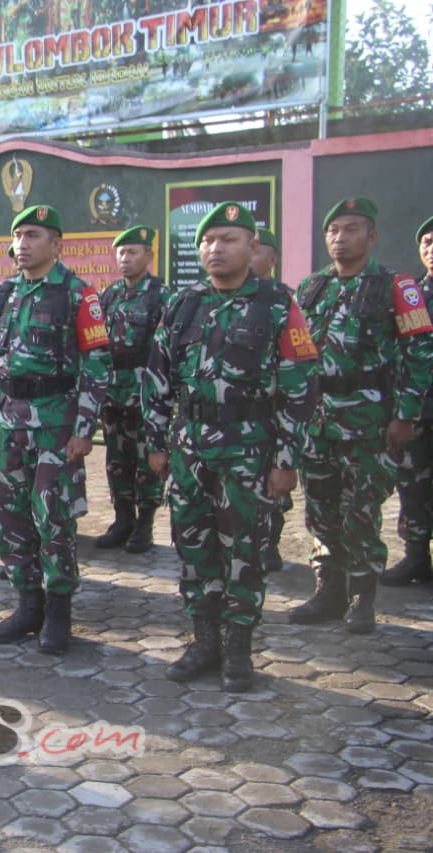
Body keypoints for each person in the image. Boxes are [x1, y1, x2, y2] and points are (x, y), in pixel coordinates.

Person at [143, 202, 318, 692]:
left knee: (245, 549)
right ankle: (204, 641)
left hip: (250, 449)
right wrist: (156, 442)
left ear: (253, 247)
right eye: (208, 240)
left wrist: (286, 461)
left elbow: (300, 386)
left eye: (229, 239)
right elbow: (157, 377)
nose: (216, 249)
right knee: (194, 546)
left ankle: (239, 648)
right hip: (190, 448)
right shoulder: (183, 304)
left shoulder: (278, 303)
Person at [290, 198, 433, 634]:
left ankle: (361, 599)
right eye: (333, 230)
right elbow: (295, 352)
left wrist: (406, 415)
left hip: (369, 421)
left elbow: (421, 353)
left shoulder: (397, 286)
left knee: (362, 512)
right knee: (320, 510)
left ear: (371, 236)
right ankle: (328, 591)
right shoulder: (312, 286)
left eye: (351, 229)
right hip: (317, 421)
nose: (340, 237)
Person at [0, 205, 111, 655]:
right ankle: (27, 604)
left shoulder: (78, 294)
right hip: (10, 421)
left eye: (33, 235)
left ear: (56, 244)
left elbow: (97, 365)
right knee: (9, 514)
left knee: (53, 516)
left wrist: (85, 427)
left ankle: (59, 611)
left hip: (56, 423)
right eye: (18, 235)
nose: (23, 244)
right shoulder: (3, 294)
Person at [95, 226, 166, 553]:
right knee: (116, 459)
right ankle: (122, 519)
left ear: (149, 256)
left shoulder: (162, 295)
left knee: (145, 460)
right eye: (121, 253)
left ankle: (145, 525)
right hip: (114, 391)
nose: (125, 258)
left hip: (145, 392)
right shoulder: (108, 295)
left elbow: (166, 352)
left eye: (133, 252)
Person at [385, 214, 433, 586]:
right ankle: (416, 556)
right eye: (427, 243)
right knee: (413, 482)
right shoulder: (412, 295)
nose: (432, 249)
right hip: (420, 409)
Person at [252, 227, 291, 572]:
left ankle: (271, 542)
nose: (249, 255)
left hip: (273, 409)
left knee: (272, 479)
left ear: (272, 258)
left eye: (257, 249)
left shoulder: (285, 299)